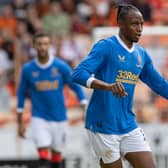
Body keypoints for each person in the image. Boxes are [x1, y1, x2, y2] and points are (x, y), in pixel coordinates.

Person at [72, 4, 168, 168]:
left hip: (128, 124)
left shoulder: (141, 54)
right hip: (103, 124)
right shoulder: (106, 47)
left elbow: (159, 84)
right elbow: (78, 74)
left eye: (141, 24)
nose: (139, 29)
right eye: (134, 24)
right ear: (121, 24)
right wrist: (107, 86)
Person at [16, 32, 87, 168]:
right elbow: (20, 94)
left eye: (45, 44)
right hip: (39, 118)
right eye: (39, 44)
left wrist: (83, 104)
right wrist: (20, 122)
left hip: (60, 118)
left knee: (56, 159)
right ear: (34, 46)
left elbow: (75, 86)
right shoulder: (28, 69)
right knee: (43, 159)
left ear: (50, 46)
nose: (42, 47)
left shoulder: (60, 67)